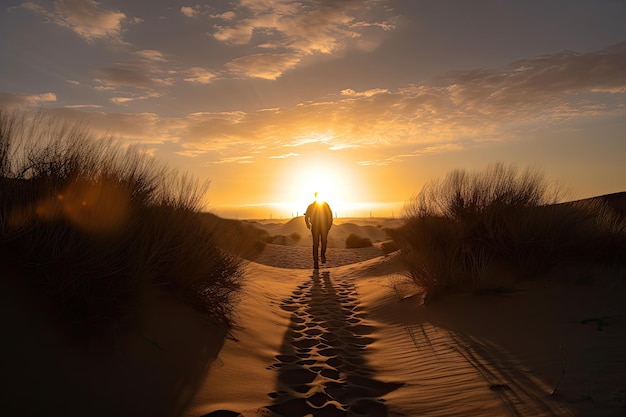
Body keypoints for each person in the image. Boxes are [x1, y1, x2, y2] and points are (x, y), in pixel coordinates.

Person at [304, 193, 333, 269]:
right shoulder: (312, 206)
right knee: (316, 243)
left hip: (323, 227)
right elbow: (307, 216)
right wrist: (308, 224)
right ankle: (316, 261)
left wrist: (329, 226)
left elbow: (330, 216)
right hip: (316, 227)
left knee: (323, 242)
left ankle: (322, 256)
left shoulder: (325, 205)